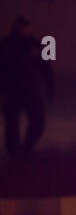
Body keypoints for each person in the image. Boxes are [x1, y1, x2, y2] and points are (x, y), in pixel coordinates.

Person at [0, 16, 54, 153]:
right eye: (23, 26)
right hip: (12, 90)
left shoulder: (39, 45)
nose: (25, 29)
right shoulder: (6, 45)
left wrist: (50, 87)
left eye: (27, 26)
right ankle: (14, 153)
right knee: (12, 125)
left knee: (38, 122)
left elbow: (47, 68)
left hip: (32, 90)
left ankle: (25, 148)